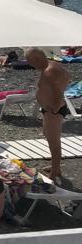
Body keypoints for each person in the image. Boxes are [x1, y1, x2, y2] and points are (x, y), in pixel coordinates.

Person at [26, 48, 71, 184]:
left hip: (53, 111)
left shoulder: (49, 72)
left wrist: (54, 109)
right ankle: (56, 167)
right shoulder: (53, 65)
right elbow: (67, 77)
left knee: (54, 141)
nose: (31, 66)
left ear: (36, 59)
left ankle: (54, 173)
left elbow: (58, 92)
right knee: (49, 135)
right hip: (50, 110)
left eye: (31, 62)